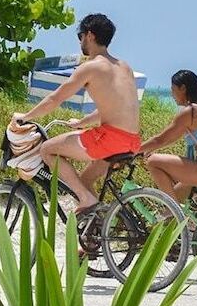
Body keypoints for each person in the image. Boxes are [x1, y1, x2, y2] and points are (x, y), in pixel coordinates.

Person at [10, 13, 141, 214]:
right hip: (132, 141)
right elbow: (112, 109)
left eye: (80, 36)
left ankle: (86, 199)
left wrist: (25, 117)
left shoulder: (90, 67)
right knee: (86, 179)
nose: (80, 41)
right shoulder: (124, 67)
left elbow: (54, 99)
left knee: (47, 150)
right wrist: (81, 123)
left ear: (89, 35)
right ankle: (94, 234)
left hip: (110, 139)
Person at [140, 70, 197, 203]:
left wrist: (133, 150)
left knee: (152, 161)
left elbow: (161, 139)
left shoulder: (192, 111)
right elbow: (169, 140)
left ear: (183, 88)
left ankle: (172, 208)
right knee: (169, 217)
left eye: (173, 89)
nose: (172, 94)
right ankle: (175, 214)